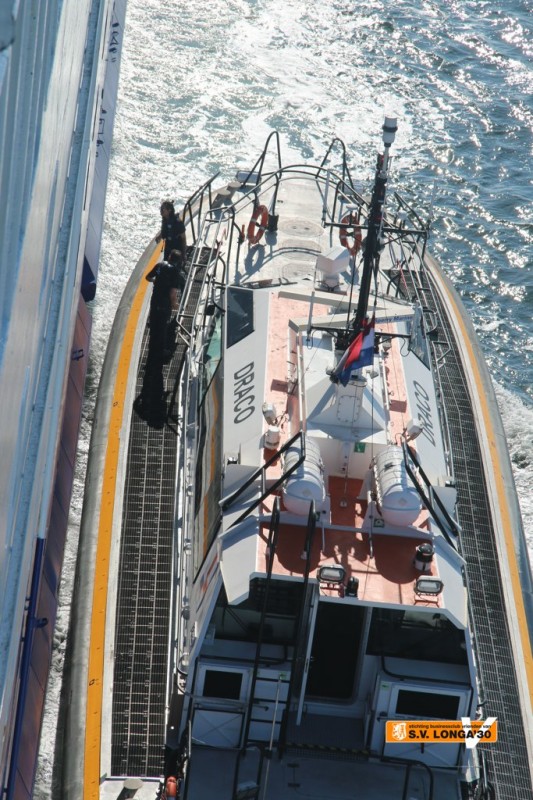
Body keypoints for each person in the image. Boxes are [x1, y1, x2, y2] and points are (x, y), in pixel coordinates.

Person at [145, 249, 184, 354]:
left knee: (153, 324)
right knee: (162, 327)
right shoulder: (175, 272)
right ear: (178, 261)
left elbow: (148, 277)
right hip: (165, 304)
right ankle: (161, 350)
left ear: (170, 256)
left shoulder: (159, 265)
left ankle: (151, 347)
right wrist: (175, 304)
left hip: (155, 300)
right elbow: (173, 292)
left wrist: (155, 281)